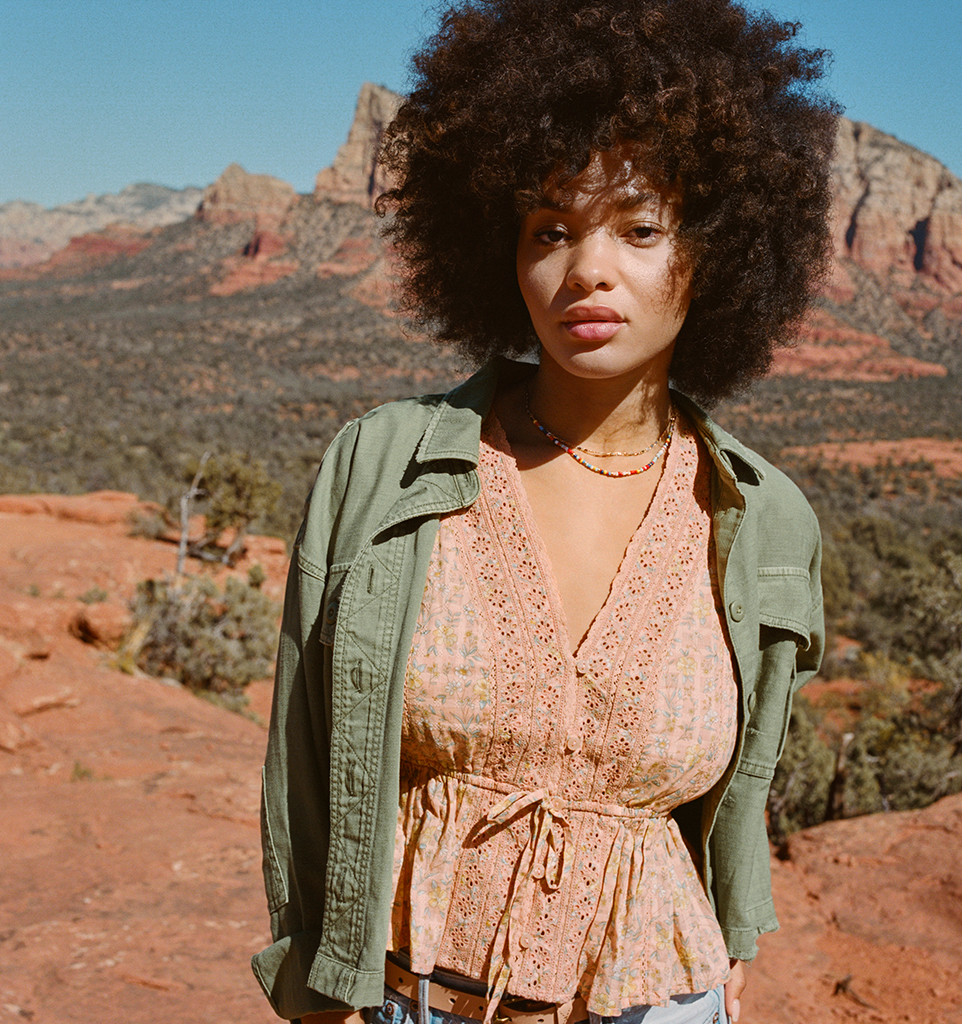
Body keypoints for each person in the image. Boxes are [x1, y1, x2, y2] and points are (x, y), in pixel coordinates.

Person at [253, 2, 835, 1023]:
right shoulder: (383, 464)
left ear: (718, 251)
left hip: (658, 998)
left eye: (640, 228)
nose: (587, 270)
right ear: (501, 252)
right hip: (402, 995)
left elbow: (744, 785)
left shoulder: (765, 517)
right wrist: (313, 982)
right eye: (549, 230)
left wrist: (733, 930)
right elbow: (304, 748)